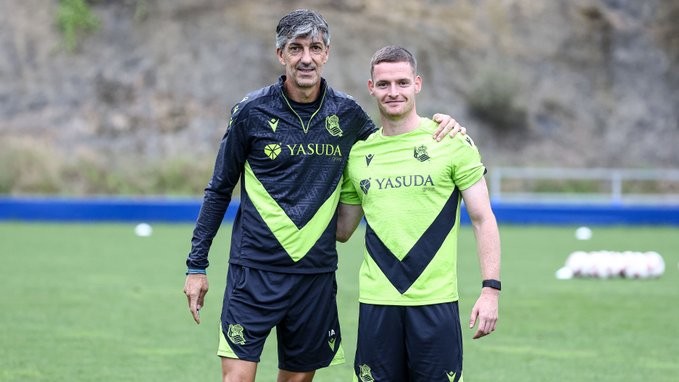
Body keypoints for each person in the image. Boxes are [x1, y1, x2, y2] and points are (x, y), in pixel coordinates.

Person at [183, 10, 466, 382]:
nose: (306, 58)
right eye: (295, 48)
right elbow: (219, 188)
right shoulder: (251, 112)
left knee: (298, 379)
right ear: (280, 54)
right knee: (235, 379)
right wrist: (196, 265)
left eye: (314, 47)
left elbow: (392, 137)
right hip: (253, 271)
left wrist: (440, 125)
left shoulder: (347, 115)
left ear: (326, 53)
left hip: (314, 276)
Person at [336, 45, 501, 382]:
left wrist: (490, 291)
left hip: (435, 303)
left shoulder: (452, 142)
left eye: (402, 82)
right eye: (383, 84)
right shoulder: (358, 153)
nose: (393, 92)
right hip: (377, 303)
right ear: (371, 88)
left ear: (417, 84)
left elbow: (483, 219)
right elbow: (342, 229)